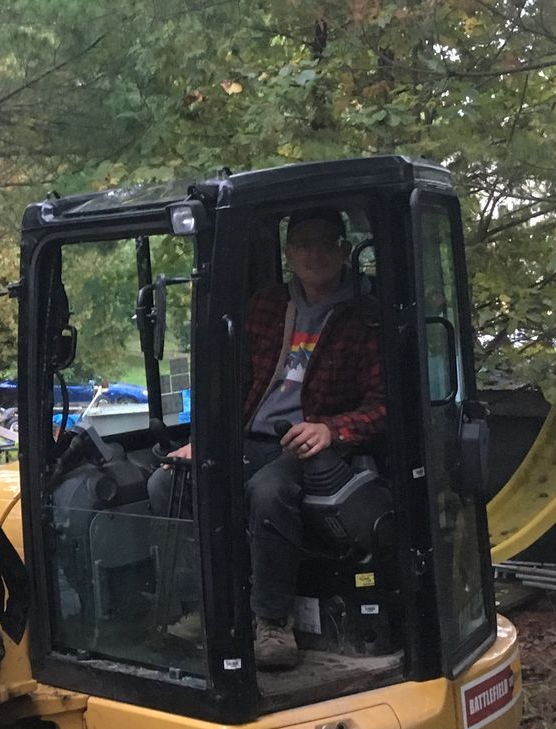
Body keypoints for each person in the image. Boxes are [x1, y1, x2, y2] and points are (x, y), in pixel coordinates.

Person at [151, 207, 385, 670]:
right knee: (168, 483)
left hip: (309, 447)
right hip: (247, 436)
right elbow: (228, 383)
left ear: (344, 249)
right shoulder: (266, 305)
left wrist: (330, 429)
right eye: (302, 244)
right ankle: (204, 607)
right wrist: (205, 440)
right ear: (288, 254)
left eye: (324, 242)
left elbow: (385, 401)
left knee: (269, 491)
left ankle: (273, 623)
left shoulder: (366, 313)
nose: (313, 253)